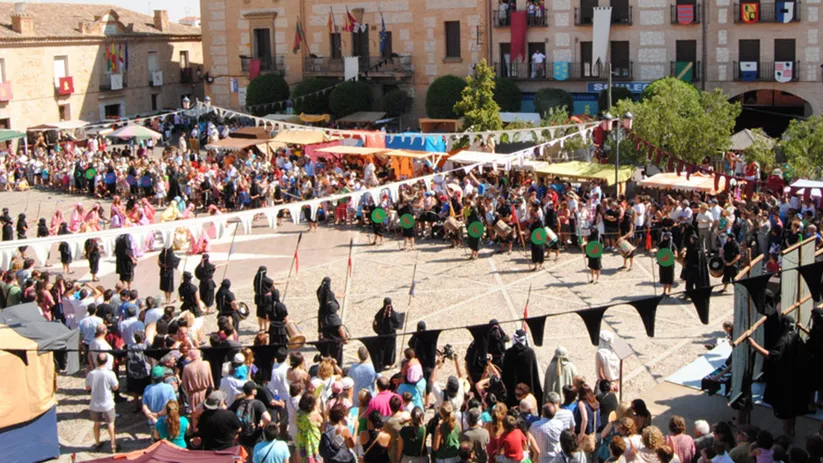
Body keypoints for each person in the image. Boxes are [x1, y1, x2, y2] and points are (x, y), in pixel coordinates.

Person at [746, 314, 810, 437]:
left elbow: (772, 355)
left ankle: (787, 435)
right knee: (792, 410)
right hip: (795, 380)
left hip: (785, 382)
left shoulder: (784, 339)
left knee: (786, 410)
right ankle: (791, 431)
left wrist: (754, 345)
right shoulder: (796, 337)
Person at [86, 352, 119, 453]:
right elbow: (116, 387)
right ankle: (113, 445)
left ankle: (97, 443)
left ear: (97, 361)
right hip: (107, 403)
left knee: (96, 424)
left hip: (95, 403)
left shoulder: (91, 374)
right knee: (110, 423)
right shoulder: (110, 373)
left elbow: (87, 387)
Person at [502, 329, 543, 407]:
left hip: (512, 391)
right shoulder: (530, 353)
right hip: (527, 391)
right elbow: (534, 374)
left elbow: (505, 374)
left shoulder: (508, 353)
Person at [230, 381, 272, 450]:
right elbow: (268, 418)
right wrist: (263, 425)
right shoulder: (258, 403)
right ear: (253, 391)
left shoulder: (238, 402)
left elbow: (230, 413)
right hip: (255, 437)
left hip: (241, 437)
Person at [317, 277, 347, 365]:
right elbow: (331, 296)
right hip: (335, 342)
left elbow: (331, 294)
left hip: (322, 314)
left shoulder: (320, 291)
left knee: (322, 330)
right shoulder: (335, 321)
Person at [181, 349, 214, 418]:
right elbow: (210, 379)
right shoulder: (206, 363)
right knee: (207, 415)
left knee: (195, 417)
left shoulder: (187, 368)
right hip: (206, 393)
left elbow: (184, 385)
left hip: (194, 395)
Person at [373, 297, 401, 371]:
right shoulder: (393, 314)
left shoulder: (380, 313)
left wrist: (378, 330)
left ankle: (382, 363)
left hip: (382, 335)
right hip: (391, 336)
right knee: (390, 350)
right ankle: (390, 363)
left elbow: (375, 323)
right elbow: (398, 322)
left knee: (382, 349)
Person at [254, 266, 275, 333]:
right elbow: (272, 283)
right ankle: (266, 328)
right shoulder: (265, 279)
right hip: (265, 299)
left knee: (260, 314)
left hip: (258, 298)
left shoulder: (256, 278)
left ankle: (260, 328)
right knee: (266, 313)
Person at [658, 230, 675, 295]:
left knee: (669, 277)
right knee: (664, 277)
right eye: (665, 236)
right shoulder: (662, 244)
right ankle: (664, 291)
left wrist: (670, 255)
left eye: (666, 236)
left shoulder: (672, 244)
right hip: (663, 263)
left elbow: (675, 254)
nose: (665, 237)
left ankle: (669, 291)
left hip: (670, 263)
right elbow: (658, 251)